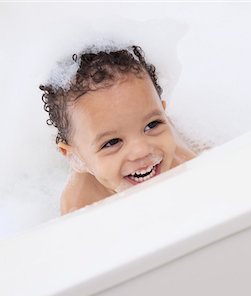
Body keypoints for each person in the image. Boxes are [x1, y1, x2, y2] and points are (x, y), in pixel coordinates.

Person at [39, 43, 198, 215]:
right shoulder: (79, 207)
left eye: (152, 124)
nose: (141, 151)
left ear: (164, 113)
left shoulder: (185, 164)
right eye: (112, 142)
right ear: (76, 157)